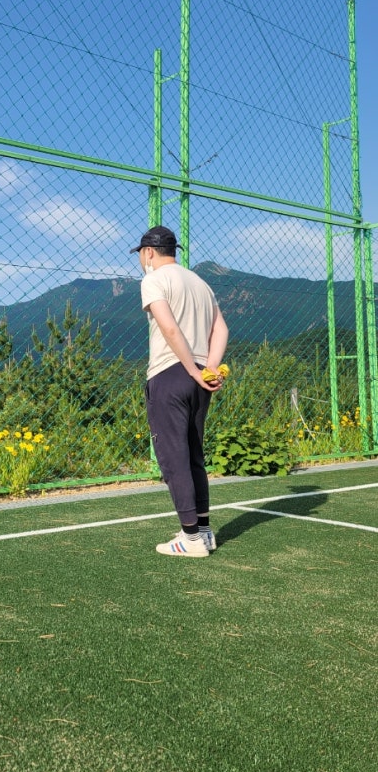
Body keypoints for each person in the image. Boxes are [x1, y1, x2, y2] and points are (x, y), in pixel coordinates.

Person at [132, 226, 229, 557]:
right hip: (201, 376)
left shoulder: (153, 280)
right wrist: (208, 370)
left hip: (170, 374)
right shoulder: (201, 283)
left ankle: (189, 540)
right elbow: (221, 329)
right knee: (193, 455)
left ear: (148, 253)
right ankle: (203, 532)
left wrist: (188, 367)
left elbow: (168, 326)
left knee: (174, 458)